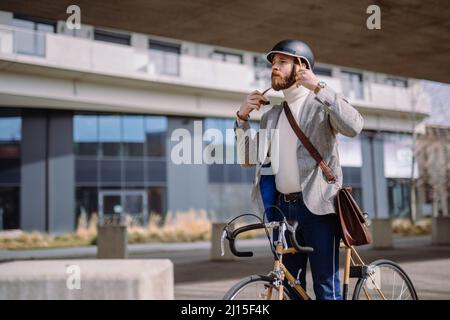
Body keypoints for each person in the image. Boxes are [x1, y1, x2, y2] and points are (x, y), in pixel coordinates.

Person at [234, 40, 364, 300]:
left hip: (318, 208)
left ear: (302, 66)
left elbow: (354, 126)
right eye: (273, 63)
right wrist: (241, 118)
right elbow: (247, 159)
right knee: (292, 289)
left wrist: (319, 86)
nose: (275, 68)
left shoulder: (321, 103)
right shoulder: (272, 116)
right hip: (282, 211)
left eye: (282, 62)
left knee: (326, 289)